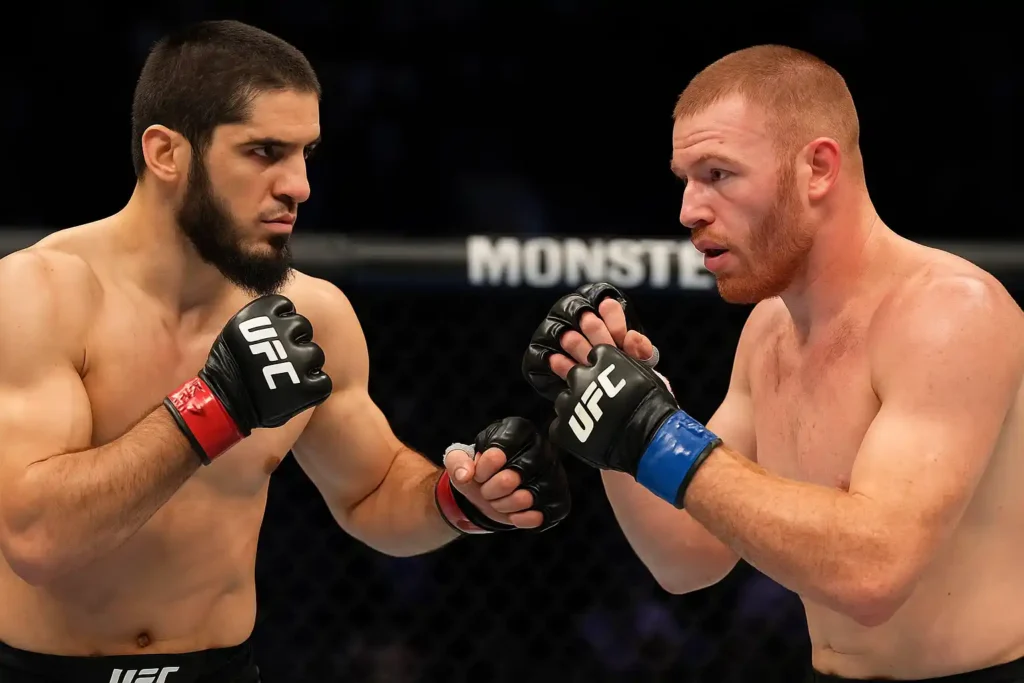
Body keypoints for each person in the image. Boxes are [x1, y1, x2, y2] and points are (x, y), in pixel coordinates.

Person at [0, 20, 571, 683]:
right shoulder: (41, 294)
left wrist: (462, 499)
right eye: (264, 151)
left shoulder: (310, 313)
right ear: (165, 153)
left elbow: (374, 491)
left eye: (306, 153)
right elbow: (38, 541)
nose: (298, 184)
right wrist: (212, 408)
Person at [522, 45, 1024, 682]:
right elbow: (688, 558)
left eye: (719, 174)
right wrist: (614, 418)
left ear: (816, 168)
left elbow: (874, 571)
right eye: (686, 179)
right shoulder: (769, 330)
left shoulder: (949, 313)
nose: (689, 210)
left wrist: (659, 433)